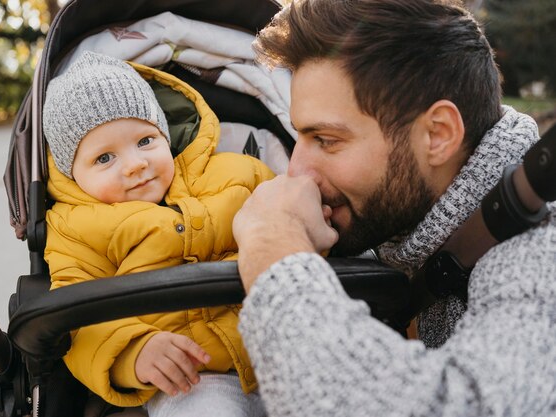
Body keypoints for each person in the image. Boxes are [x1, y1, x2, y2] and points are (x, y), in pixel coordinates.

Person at [232, 0, 556, 416]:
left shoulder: (540, 251)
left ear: (437, 135)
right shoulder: (406, 230)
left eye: (327, 140)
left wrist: (273, 248)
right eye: (300, 138)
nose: (298, 173)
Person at [42, 51, 273, 416]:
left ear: (165, 133)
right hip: (193, 377)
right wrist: (133, 351)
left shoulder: (239, 173)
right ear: (73, 173)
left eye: (146, 141)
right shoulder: (76, 228)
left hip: (282, 339)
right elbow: (76, 314)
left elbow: (287, 215)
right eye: (104, 158)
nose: (135, 164)